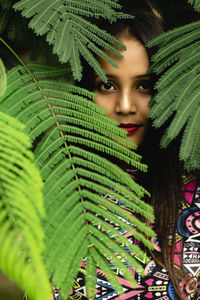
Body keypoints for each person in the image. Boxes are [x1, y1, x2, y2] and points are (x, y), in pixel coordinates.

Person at [55, 10, 200, 300]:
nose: (124, 106)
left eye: (143, 85)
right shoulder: (58, 197)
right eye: (107, 85)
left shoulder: (195, 191)